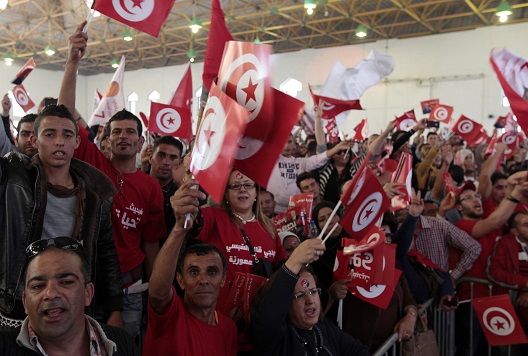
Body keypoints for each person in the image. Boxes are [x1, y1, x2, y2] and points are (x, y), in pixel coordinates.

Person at [58, 22, 166, 336]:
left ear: (140, 142)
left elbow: (151, 243)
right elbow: (65, 111)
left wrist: (153, 293)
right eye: (115, 131)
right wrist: (72, 62)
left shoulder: (150, 187)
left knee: (124, 345)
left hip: (130, 285)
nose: (122, 136)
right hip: (87, 278)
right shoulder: (92, 163)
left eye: (129, 132)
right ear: (105, 139)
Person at [0, 104, 123, 329]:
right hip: (19, 298)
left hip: (73, 301)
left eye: (67, 135)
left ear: (77, 142)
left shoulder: (97, 191)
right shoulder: (14, 177)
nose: (59, 141)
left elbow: (106, 249)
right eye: (49, 134)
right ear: (34, 141)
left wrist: (115, 307)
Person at [171, 170, 286, 352]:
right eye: (235, 186)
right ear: (225, 194)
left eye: (248, 185)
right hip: (220, 325)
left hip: (259, 328)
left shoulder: (270, 228)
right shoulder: (213, 217)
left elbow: (281, 271)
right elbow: (192, 220)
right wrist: (187, 189)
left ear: (256, 192)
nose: (242, 190)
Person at [0, 237, 138, 355]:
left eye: (66, 282)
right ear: (25, 302)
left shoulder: (123, 344)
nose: (51, 294)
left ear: (88, 293)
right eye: (38, 286)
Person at [144, 192, 238, 355]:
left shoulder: (229, 329)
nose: (203, 280)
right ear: (180, 280)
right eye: (194, 272)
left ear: (223, 279)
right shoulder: (170, 314)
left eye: (212, 272)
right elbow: (158, 292)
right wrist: (180, 229)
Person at [251, 239, 369, 356]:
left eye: (313, 292)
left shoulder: (325, 328)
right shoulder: (277, 339)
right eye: (300, 295)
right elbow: (269, 318)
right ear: (286, 304)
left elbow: (359, 351)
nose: (310, 301)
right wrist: (295, 261)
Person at [267, 134, 352, 214]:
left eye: (289, 142)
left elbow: (317, 160)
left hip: (297, 211)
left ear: (294, 143)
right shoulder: (269, 160)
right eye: (283, 141)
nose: (286, 145)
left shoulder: (301, 162)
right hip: (274, 211)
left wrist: (337, 148)